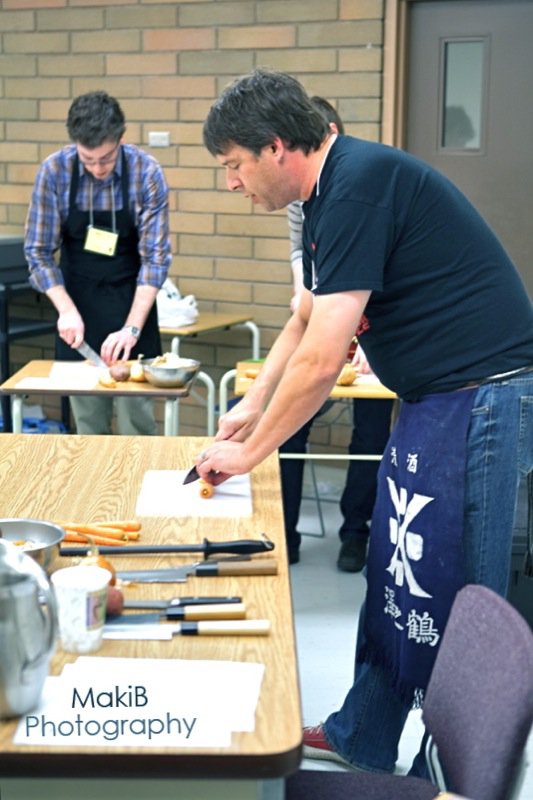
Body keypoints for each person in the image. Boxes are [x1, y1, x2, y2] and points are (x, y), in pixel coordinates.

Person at [198, 68, 533, 777]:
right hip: (435, 399)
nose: (231, 183)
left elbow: (323, 360)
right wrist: (254, 402)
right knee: (396, 571)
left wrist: (251, 454)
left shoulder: (355, 184)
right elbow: (304, 318)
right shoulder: (326, 194)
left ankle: (454, 774)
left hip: (482, 398)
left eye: (233, 165)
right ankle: (364, 733)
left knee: (460, 590)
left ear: (275, 147)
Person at [281, 96, 394, 569]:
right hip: (326, 313)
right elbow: (300, 254)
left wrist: (363, 339)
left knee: (371, 429)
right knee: (290, 420)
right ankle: (284, 533)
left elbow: (365, 275)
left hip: (369, 321)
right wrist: (302, 295)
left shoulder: (357, 188)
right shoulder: (299, 193)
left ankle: (355, 533)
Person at [25, 90, 171, 434]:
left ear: (121, 139)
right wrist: (65, 310)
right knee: (89, 427)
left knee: (138, 425)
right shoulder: (55, 171)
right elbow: (38, 252)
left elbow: (155, 259)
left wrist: (132, 329)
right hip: (78, 310)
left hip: (131, 304)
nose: (98, 169)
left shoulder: (146, 172)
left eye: (106, 159)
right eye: (88, 159)